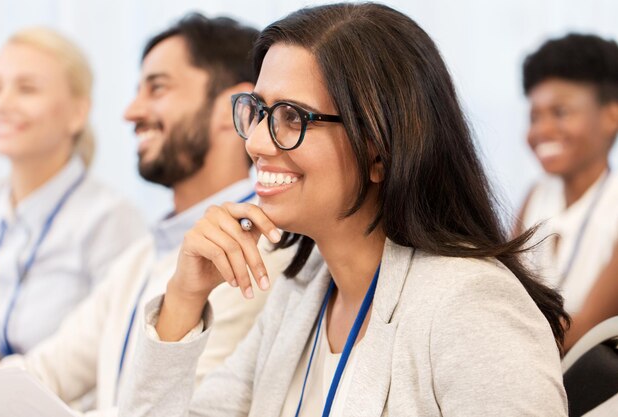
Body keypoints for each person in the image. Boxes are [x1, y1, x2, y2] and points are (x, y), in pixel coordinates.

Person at [120, 3, 569, 416]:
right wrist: (184, 298)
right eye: (257, 110)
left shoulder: (470, 306)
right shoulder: (302, 295)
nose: (255, 142)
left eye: (293, 117)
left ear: (379, 151)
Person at [0, 14, 290, 416]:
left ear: (232, 108)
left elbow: (185, 408)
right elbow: (41, 374)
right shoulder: (141, 257)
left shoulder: (265, 248)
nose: (131, 112)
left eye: (157, 88)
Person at [0, 28, 146, 359]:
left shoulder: (109, 219)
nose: (2, 103)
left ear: (78, 113)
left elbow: (114, 353)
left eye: (27, 89)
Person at [516, 34, 618, 351]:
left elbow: (582, 332)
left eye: (560, 112)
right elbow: (501, 291)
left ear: (611, 116)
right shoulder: (536, 196)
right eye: (535, 116)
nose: (541, 131)